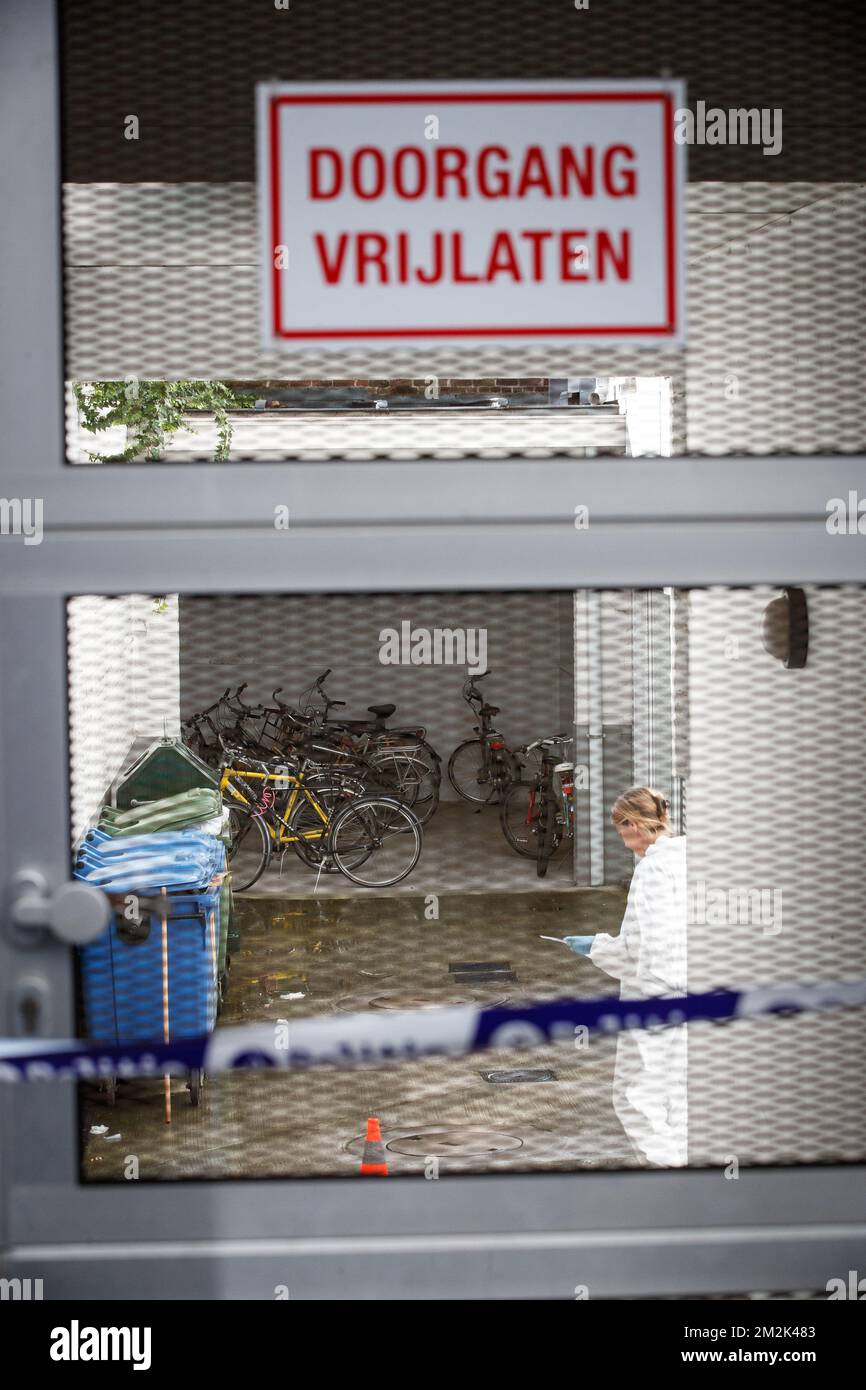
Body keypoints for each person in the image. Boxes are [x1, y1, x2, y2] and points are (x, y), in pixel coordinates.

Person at [564, 787, 687, 1167]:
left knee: (638, 1096)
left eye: (620, 830)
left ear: (633, 824)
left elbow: (644, 946)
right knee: (679, 1094)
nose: (622, 839)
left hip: (655, 996)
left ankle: (666, 1173)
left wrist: (597, 947)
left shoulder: (651, 870)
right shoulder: (689, 859)